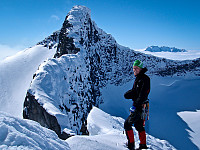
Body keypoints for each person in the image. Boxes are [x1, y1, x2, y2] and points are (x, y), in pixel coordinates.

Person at [124, 60, 150, 150]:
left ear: (141, 68)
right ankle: (143, 145)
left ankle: (131, 145)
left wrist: (135, 106)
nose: (134, 70)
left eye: (136, 68)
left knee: (127, 124)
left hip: (140, 106)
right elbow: (136, 91)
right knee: (139, 125)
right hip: (140, 106)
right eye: (133, 68)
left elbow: (143, 94)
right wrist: (128, 94)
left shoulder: (145, 79)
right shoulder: (138, 78)